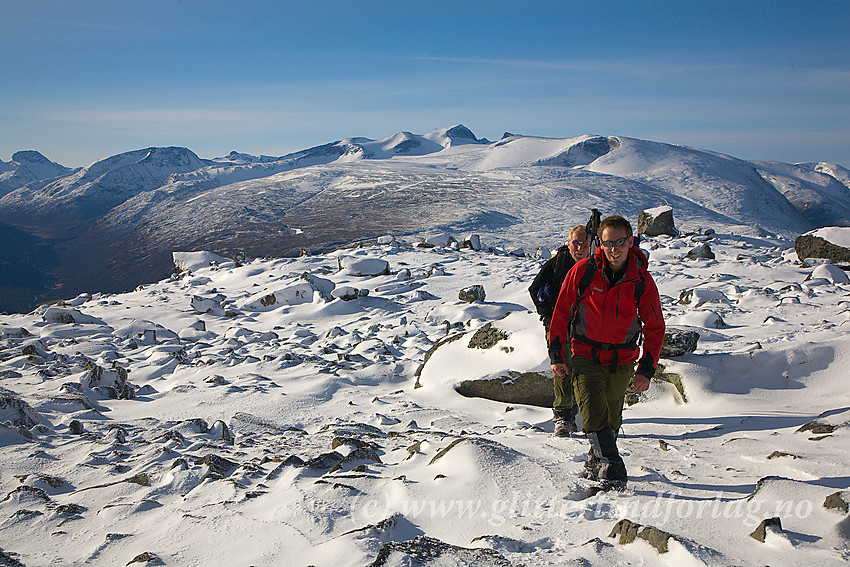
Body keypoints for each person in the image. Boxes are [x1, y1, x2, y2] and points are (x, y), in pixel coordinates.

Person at [547, 215, 665, 491]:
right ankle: (613, 469)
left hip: (622, 359)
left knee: (611, 419)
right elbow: (562, 311)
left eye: (620, 242)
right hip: (585, 355)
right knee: (591, 413)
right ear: (600, 243)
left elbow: (655, 326)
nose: (614, 249)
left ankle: (594, 461)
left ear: (630, 241)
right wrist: (557, 355)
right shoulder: (584, 271)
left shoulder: (642, 281)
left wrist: (646, 369)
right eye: (608, 243)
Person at [528, 225, 591, 436]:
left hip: (587, 324)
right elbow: (534, 288)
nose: (580, 248)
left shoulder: (596, 265)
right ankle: (563, 417)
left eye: (584, 244)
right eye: (576, 243)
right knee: (562, 366)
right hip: (559, 325)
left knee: (585, 367)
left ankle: (585, 414)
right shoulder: (557, 263)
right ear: (568, 243)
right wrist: (548, 314)